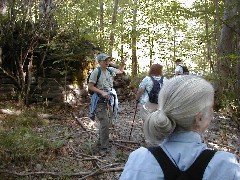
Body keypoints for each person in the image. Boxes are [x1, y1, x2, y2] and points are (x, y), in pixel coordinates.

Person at [120, 76, 240, 180]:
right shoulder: (225, 165)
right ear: (199, 118)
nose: (213, 111)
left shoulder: (140, 160)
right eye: (211, 107)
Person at [88, 53, 126, 153]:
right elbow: (90, 86)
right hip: (99, 101)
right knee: (104, 122)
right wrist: (102, 92)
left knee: (107, 123)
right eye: (105, 60)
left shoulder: (110, 70)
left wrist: (123, 63)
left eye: (108, 60)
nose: (107, 62)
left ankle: (100, 142)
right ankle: (104, 147)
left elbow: (120, 71)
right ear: (99, 62)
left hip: (109, 100)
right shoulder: (96, 72)